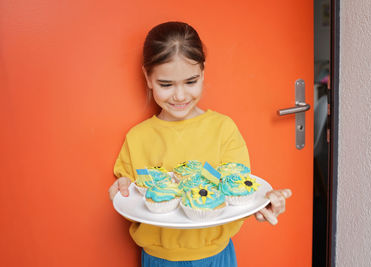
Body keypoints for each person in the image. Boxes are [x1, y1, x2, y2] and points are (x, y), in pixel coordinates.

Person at [108, 21, 292, 267]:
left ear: (203, 73)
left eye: (190, 81)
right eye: (166, 85)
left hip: (216, 256)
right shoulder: (137, 138)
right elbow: (128, 190)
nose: (180, 96)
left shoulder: (223, 129)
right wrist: (120, 188)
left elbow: (239, 189)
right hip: (159, 259)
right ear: (148, 78)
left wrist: (262, 202)